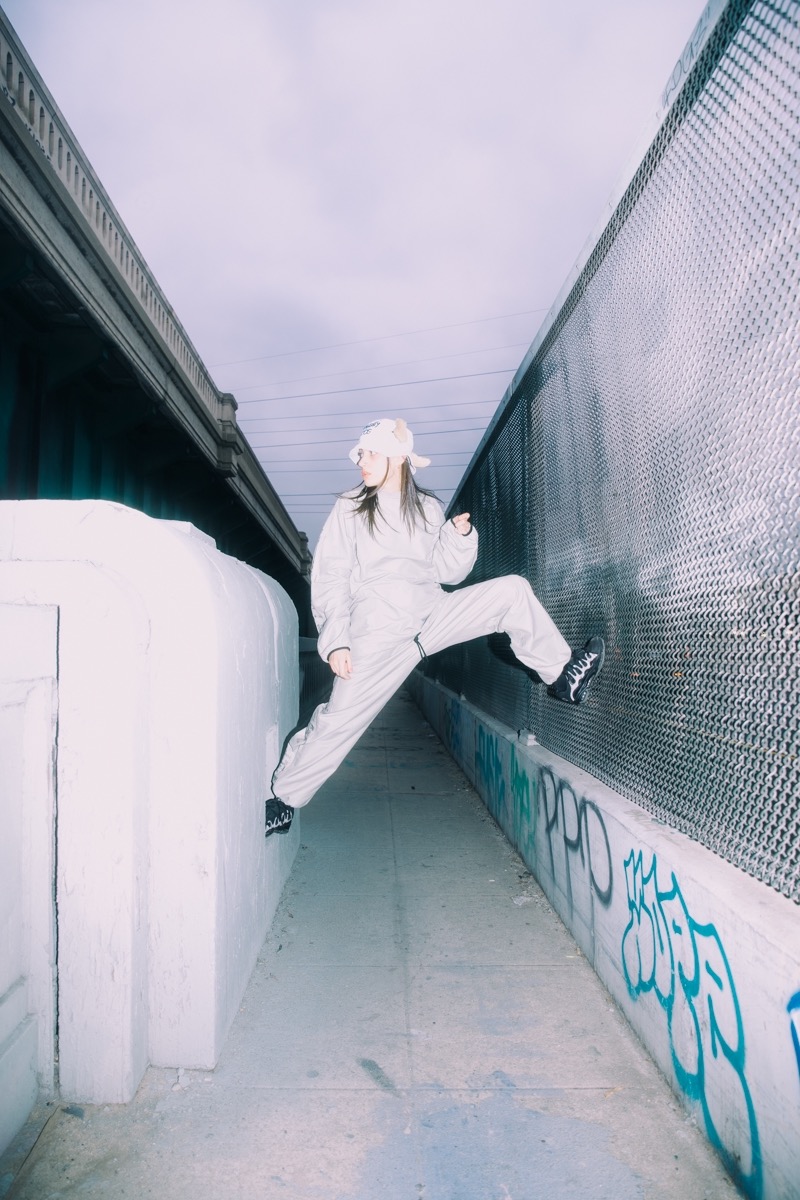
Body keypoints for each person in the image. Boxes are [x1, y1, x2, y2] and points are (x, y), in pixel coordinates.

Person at [265, 417, 604, 836]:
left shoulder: (426, 507)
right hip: (379, 632)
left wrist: (459, 538)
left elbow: (446, 572)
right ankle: (284, 799)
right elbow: (331, 576)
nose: (360, 462)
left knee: (511, 591)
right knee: (339, 720)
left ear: (397, 458)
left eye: (370, 453)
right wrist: (337, 641)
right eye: (361, 454)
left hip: (431, 615)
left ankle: (563, 675)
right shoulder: (351, 507)